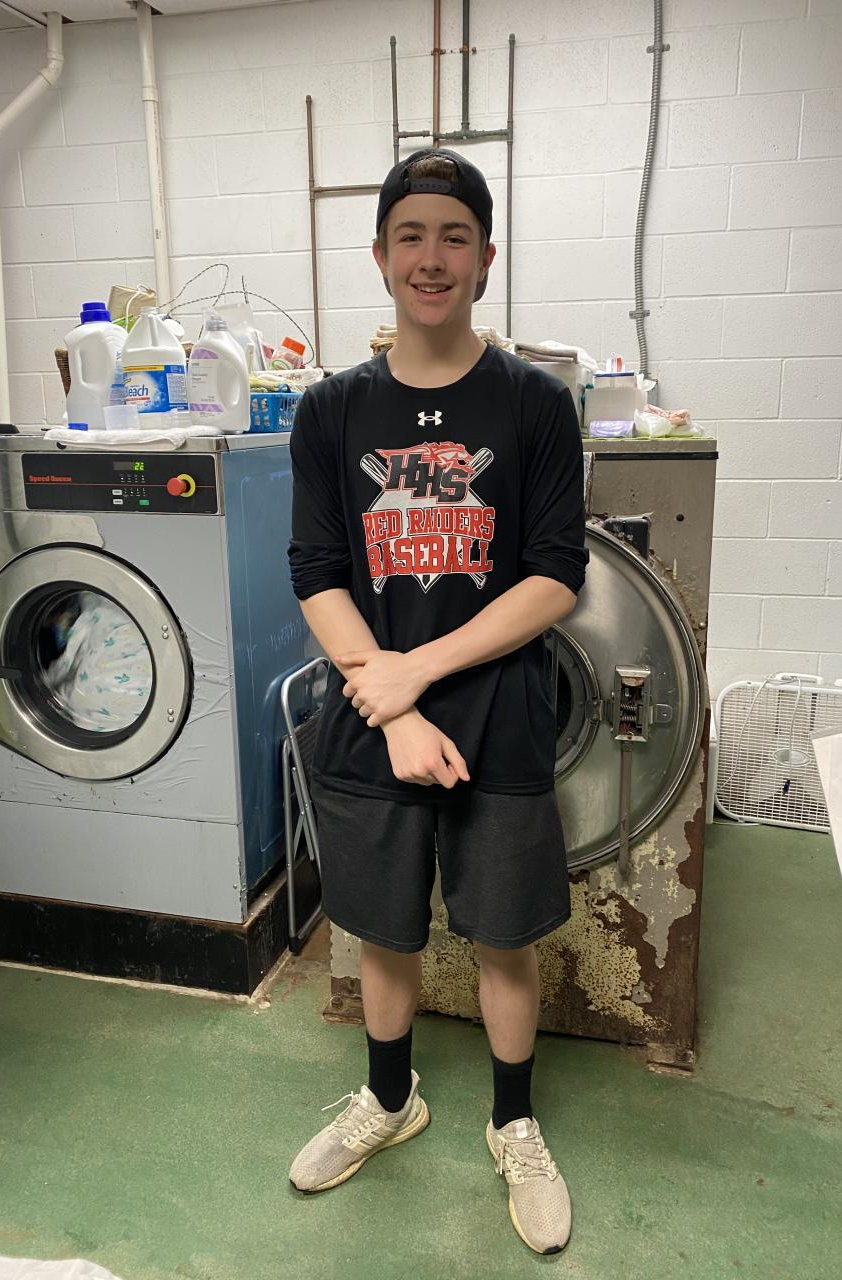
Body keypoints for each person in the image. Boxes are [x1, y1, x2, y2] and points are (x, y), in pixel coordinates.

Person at [286, 148, 588, 1255]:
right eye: (410, 235)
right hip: (373, 712)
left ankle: (514, 1122)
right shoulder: (332, 411)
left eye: (454, 237)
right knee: (382, 928)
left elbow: (556, 575)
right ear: (379, 255)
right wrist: (395, 699)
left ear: (486, 257)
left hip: (500, 710)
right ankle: (389, 1097)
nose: (431, 257)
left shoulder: (534, 403)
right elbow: (318, 571)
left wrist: (423, 671)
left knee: (504, 934)